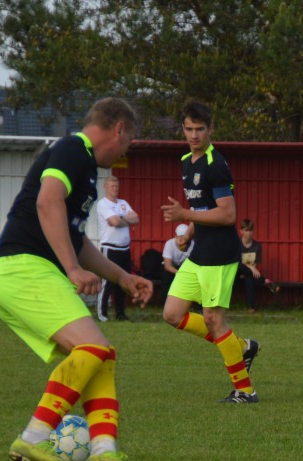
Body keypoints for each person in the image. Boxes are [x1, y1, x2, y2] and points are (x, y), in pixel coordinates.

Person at [0, 97, 152, 461]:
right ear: (119, 130)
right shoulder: (73, 148)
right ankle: (33, 437)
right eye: (128, 142)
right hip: (24, 269)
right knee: (93, 348)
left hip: (25, 272)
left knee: (101, 355)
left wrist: (122, 278)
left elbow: (76, 240)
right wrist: (72, 270)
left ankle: (103, 454)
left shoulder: (84, 164)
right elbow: (47, 202)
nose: (125, 153)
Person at [160, 100, 260, 404]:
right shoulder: (186, 162)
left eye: (200, 129)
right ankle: (240, 347)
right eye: (189, 129)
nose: (194, 135)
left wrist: (184, 216)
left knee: (214, 321)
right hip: (199, 251)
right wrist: (188, 234)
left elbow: (228, 214)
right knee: (172, 314)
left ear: (210, 129)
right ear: (182, 129)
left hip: (220, 254)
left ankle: (245, 391)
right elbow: (201, 208)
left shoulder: (216, 164)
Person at [95, 175, 140, 321]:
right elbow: (114, 222)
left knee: (124, 281)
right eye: (112, 186)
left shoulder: (123, 203)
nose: (115, 189)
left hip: (124, 248)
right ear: (105, 187)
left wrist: (121, 218)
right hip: (110, 248)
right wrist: (124, 219)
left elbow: (136, 219)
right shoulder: (103, 204)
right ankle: (102, 314)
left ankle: (120, 314)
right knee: (107, 282)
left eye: (116, 186)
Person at [235, 218, 280, 312]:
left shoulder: (257, 246)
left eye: (251, 230)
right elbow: (236, 263)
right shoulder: (237, 244)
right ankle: (265, 280)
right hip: (236, 275)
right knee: (240, 266)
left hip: (249, 275)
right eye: (246, 230)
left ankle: (251, 308)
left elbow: (254, 265)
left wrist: (250, 270)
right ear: (241, 231)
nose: (249, 233)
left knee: (249, 279)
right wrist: (250, 267)